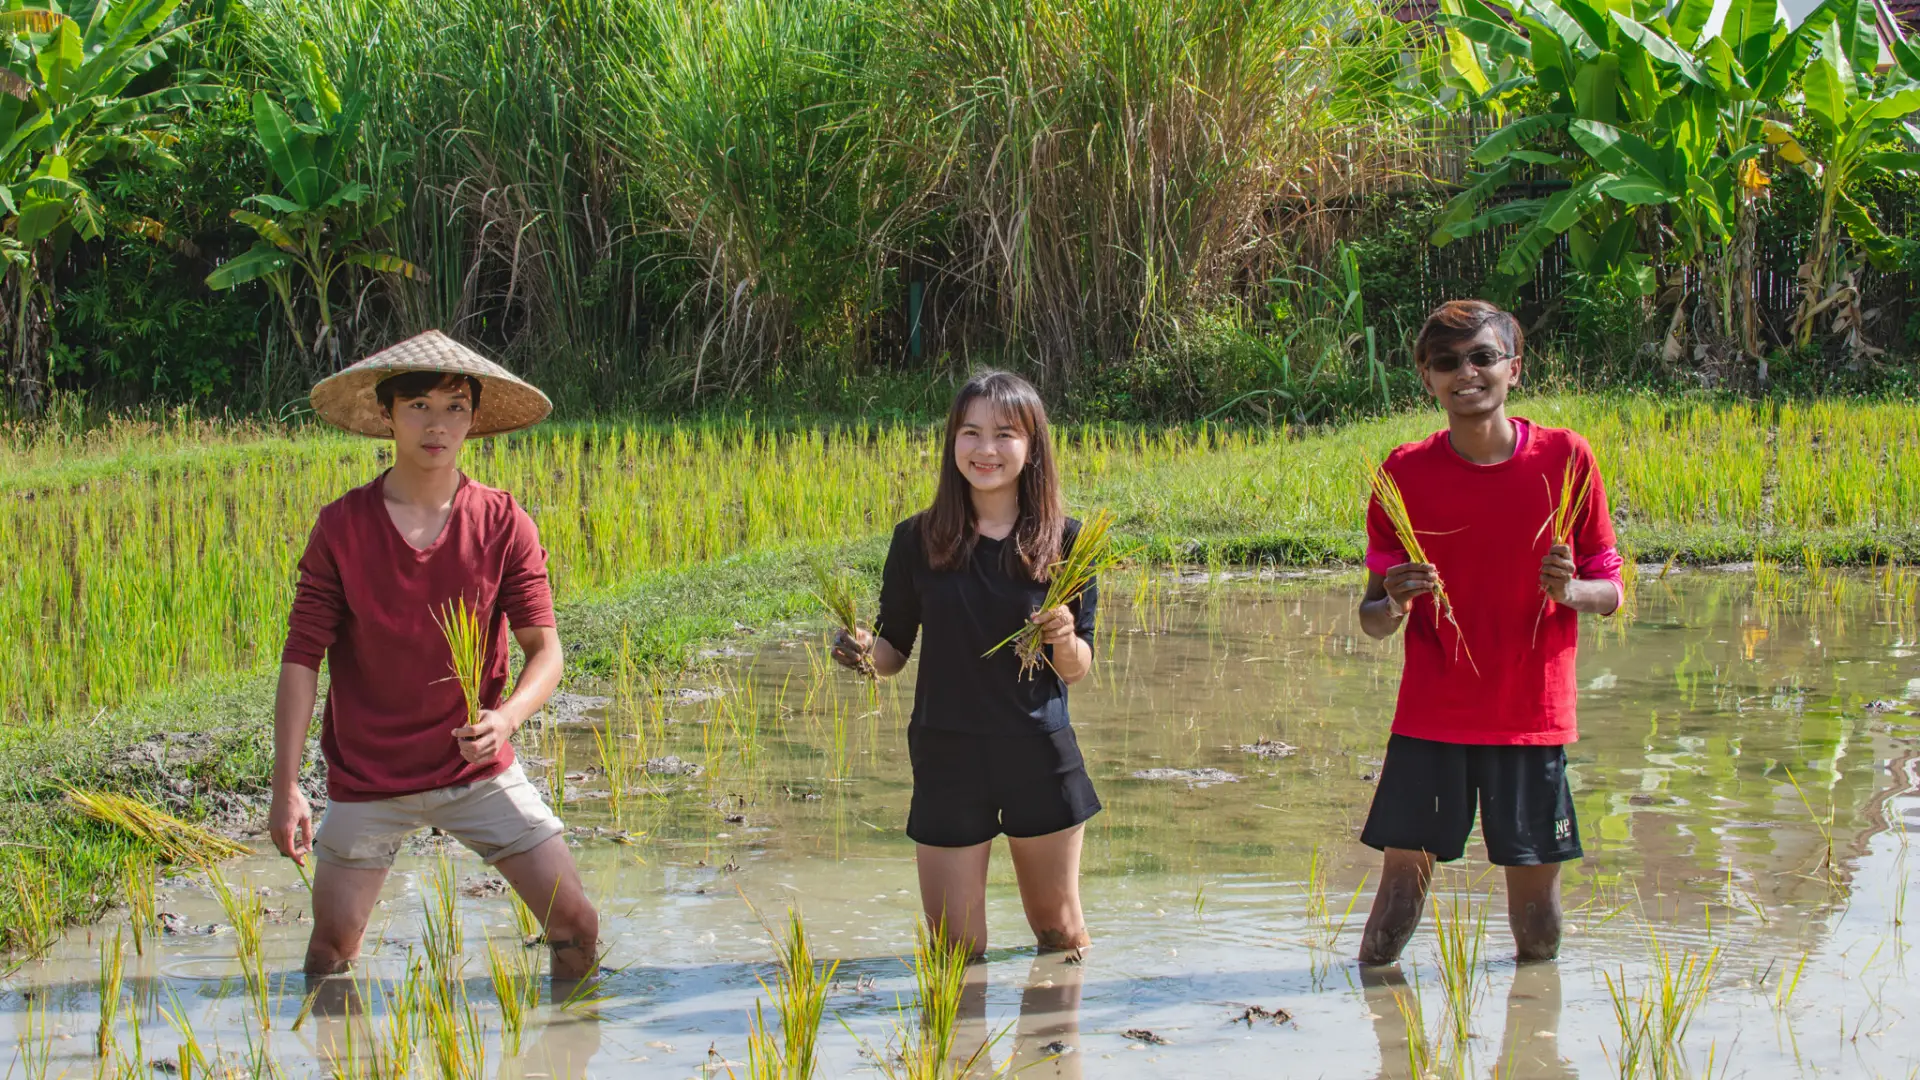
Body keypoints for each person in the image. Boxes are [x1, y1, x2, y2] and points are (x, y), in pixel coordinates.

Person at [268, 331, 599, 981]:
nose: (437, 425)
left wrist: (505, 719)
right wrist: (286, 788)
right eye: (418, 406)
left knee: (576, 927)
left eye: (454, 408)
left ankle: (566, 1036)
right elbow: (302, 658)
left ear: (473, 420)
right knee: (330, 951)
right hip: (370, 776)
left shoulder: (504, 522)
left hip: (476, 766)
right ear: (386, 414)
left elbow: (545, 651)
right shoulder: (342, 527)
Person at [1354, 300, 1622, 966]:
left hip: (1530, 718)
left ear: (1514, 369)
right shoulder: (1403, 473)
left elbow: (1610, 588)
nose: (1466, 373)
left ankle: (1534, 1021)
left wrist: (1570, 592)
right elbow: (1372, 620)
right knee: (1394, 912)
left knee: (1538, 924)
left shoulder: (1566, 458)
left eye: (1482, 357)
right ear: (1427, 377)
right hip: (1433, 718)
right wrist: (1395, 600)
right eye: (1447, 362)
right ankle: (1381, 1021)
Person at [830, 370, 1101, 958]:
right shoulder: (916, 539)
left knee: (1059, 935)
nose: (985, 449)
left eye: (1005, 434)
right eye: (970, 432)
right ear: (952, 440)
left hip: (1038, 752)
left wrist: (1060, 635)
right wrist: (863, 651)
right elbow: (894, 651)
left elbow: (1077, 666)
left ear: (1032, 446)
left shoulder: (1067, 540)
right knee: (955, 949)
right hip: (946, 753)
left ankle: (1060, 1021)